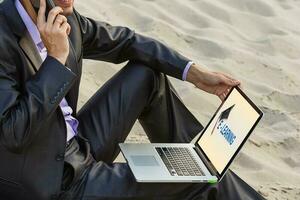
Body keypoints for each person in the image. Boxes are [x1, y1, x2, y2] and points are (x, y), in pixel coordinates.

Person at [0, 0, 264, 199]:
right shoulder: (3, 38)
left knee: (146, 75)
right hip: (53, 182)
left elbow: (125, 42)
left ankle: (190, 156)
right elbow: (13, 132)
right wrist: (56, 61)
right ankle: (197, 177)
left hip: (79, 142)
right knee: (201, 178)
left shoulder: (65, 17)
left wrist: (194, 74)